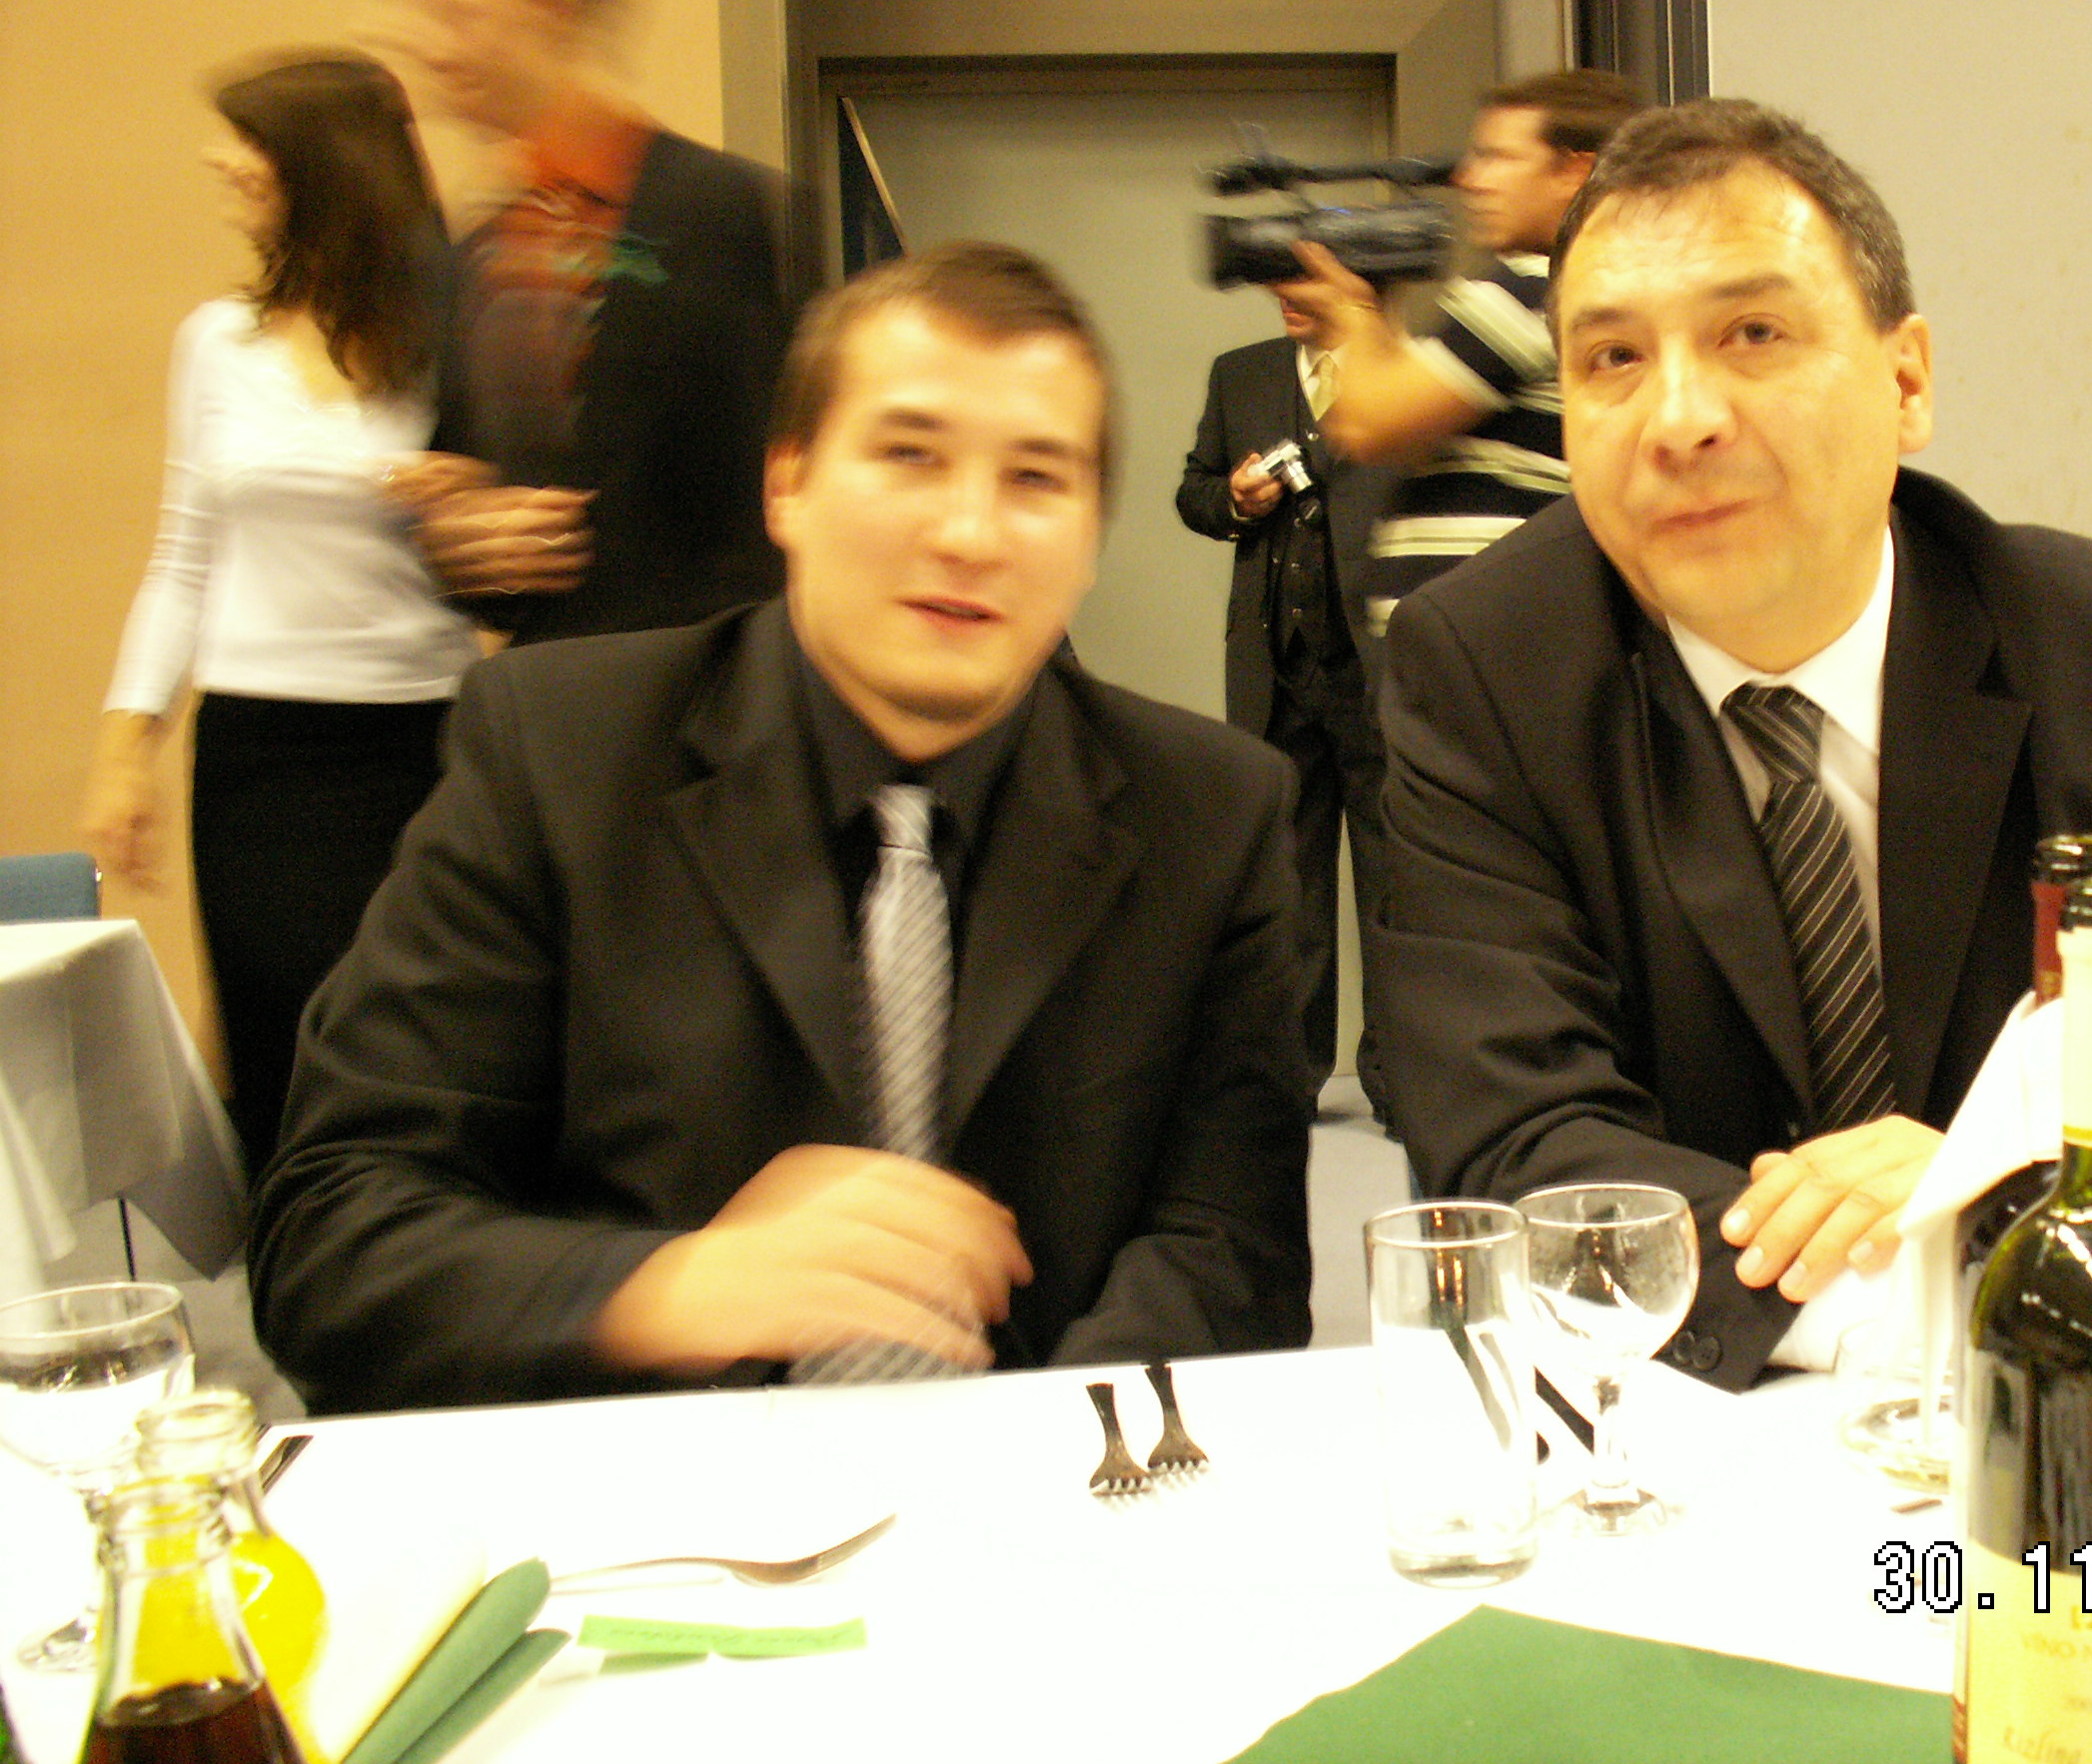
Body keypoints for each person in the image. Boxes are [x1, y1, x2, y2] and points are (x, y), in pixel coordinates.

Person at [1375, 98, 2092, 1389]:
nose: (1677, 419)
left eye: (1752, 334)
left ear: (1906, 381)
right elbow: (1515, 1144)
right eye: (1611, 359)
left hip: (2084, 1418)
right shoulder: (1486, 671)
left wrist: (2039, 1206)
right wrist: (1917, 1273)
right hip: (1699, 1434)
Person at [252, 243, 1316, 1413]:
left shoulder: (1210, 814)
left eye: (1035, 478)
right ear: (788, 484)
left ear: (1091, 533)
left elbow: (1232, 1251)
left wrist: (1017, 1458)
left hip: (1054, 1473)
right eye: (909, 455)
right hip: (662, 1480)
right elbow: (334, 1237)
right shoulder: (559, 754)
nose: (970, 532)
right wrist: (668, 1288)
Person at [82, 51, 474, 1184]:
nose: (222, 162)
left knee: (425, 1042)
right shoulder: (218, 342)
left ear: (322, 166)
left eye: (247, 141)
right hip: (262, 754)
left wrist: (463, 500)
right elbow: (182, 558)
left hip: (428, 741)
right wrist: (124, 751)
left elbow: (514, 540)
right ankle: (298, 1269)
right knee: (283, 1042)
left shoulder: (446, 338)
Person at [371, 0, 790, 643]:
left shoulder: (727, 211)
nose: (425, 47)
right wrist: (458, 543)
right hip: (546, 693)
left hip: (716, 689)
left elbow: (795, 482)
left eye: (452, 11)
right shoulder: (470, 254)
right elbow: (481, 485)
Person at [1279, 70, 1646, 636]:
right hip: (1503, 631)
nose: (1469, 179)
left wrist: (1347, 309)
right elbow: (1391, 421)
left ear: (1574, 171)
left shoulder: (1533, 289)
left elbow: (1369, 427)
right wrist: (1358, 308)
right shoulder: (1580, 289)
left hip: (1498, 637)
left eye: (1497, 157)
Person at [1175, 291, 1394, 1112]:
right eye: (1277, 279)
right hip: (1277, 664)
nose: (1286, 296)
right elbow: (1193, 494)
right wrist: (1234, 499)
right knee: (1290, 881)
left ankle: (1400, 1082)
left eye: (1305, 279)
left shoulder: (1407, 371)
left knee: (1395, 880)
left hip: (1379, 665)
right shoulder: (1240, 375)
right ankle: (1292, 1085)